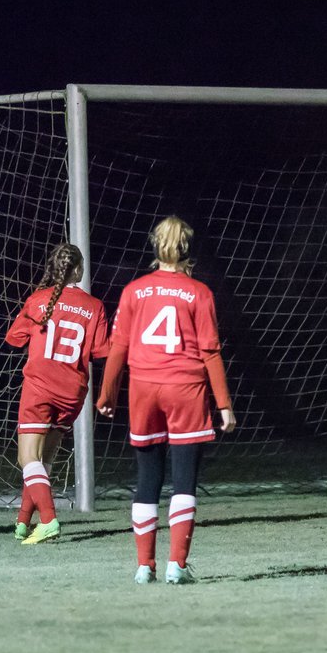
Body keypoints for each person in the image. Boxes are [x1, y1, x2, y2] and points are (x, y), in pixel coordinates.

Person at [97, 216, 236, 584]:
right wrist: (224, 404)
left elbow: (119, 346)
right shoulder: (200, 292)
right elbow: (209, 352)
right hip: (185, 390)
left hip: (143, 388)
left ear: (155, 248)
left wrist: (107, 393)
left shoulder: (133, 290)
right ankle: (177, 564)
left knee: (147, 478)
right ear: (188, 250)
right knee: (184, 479)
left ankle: (144, 566)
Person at [4, 242, 110, 544]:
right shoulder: (94, 306)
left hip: (40, 387)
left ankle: (48, 520)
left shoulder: (38, 300)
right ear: (78, 270)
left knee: (28, 459)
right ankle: (24, 523)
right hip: (73, 393)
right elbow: (101, 350)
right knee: (44, 461)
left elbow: (14, 338)